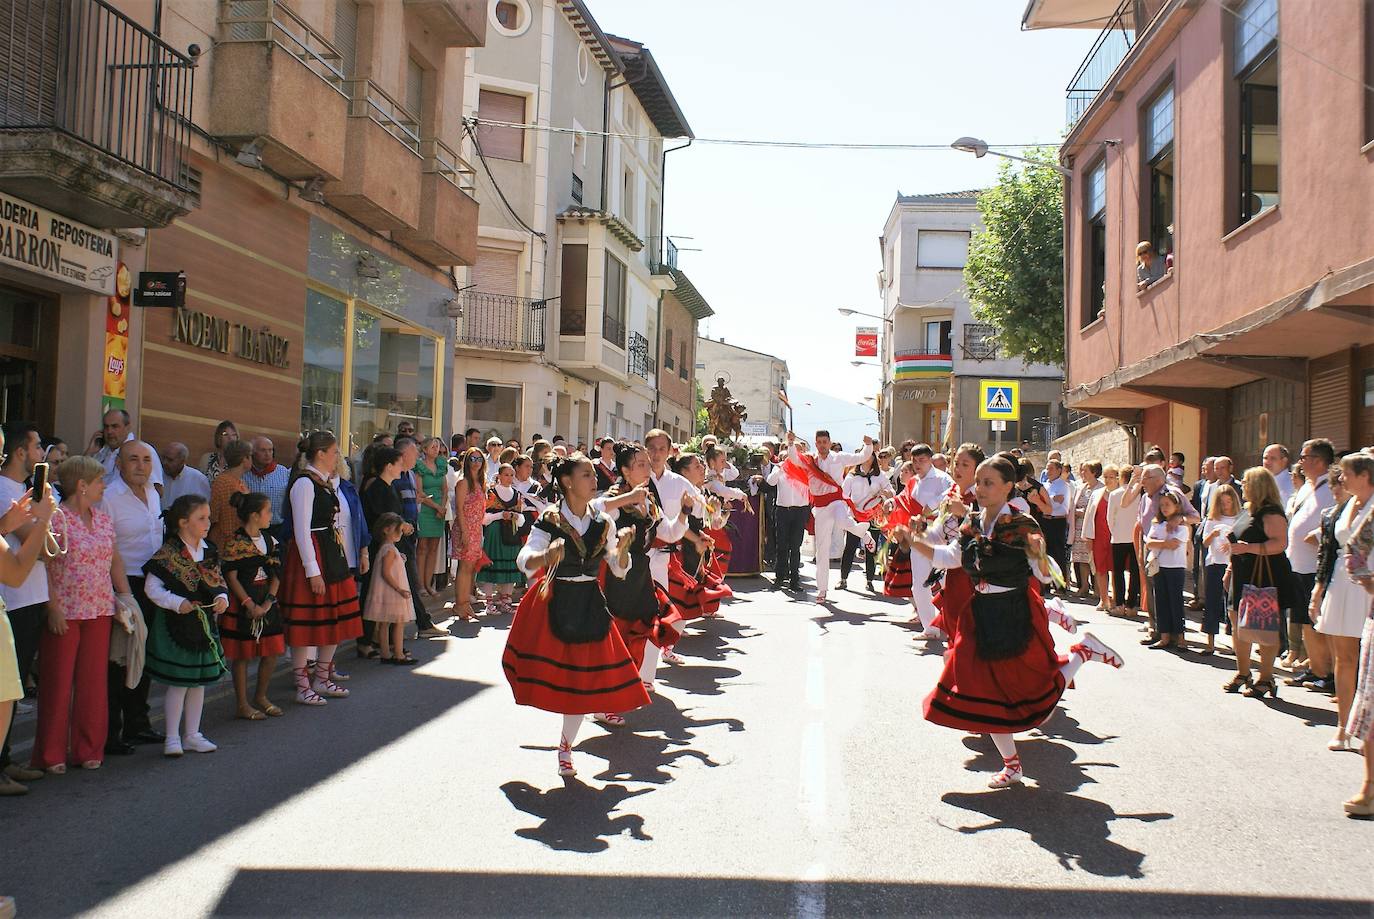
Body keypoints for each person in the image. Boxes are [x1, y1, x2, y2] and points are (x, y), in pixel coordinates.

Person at [907, 453, 1123, 789]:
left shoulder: (1023, 524)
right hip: (980, 614)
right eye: (978, 482)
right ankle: (1012, 766)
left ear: (1008, 487)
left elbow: (1043, 574)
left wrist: (1039, 555)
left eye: (988, 482)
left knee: (1033, 687)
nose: (979, 488)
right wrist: (914, 542)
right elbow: (952, 557)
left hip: (1015, 613)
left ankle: (1082, 652)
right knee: (984, 691)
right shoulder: (974, 523)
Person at [502, 454, 648, 777]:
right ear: (568, 482)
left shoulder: (603, 522)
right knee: (565, 680)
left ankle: (565, 746)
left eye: (594, 475)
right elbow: (524, 559)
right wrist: (544, 555)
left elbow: (618, 568)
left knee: (582, 683)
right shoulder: (549, 519)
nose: (594, 480)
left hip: (590, 606)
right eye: (586, 475)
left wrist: (622, 552)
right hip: (557, 604)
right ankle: (567, 745)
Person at [32, 456, 119, 775]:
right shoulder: (54, 519)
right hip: (64, 612)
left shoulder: (104, 520)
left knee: (93, 683)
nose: (103, 487)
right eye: (99, 481)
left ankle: (88, 747)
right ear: (81, 485)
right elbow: (42, 564)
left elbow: (114, 561)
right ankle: (50, 753)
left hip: (99, 609)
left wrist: (124, 598)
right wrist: (51, 606)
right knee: (57, 684)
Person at [598, 441, 691, 695]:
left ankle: (633, 683)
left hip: (640, 573)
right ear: (625, 471)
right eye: (641, 464)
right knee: (616, 633)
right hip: (617, 576)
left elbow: (669, 532)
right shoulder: (612, 499)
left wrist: (684, 512)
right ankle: (605, 697)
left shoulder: (647, 499)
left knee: (643, 631)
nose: (648, 469)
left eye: (648, 464)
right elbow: (593, 519)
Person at [142, 495, 229, 757]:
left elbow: (218, 580)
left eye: (208, 517)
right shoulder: (167, 554)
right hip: (176, 626)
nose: (208, 522)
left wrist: (222, 597)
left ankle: (192, 734)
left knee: (198, 682)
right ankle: (171, 737)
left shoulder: (209, 550)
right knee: (180, 683)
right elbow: (152, 588)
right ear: (182, 522)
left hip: (202, 627)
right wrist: (176, 602)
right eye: (201, 518)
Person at [280, 432, 362, 706]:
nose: (337, 456)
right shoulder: (303, 483)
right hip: (313, 554)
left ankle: (322, 677)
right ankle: (303, 685)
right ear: (321, 453)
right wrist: (311, 570)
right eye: (334, 451)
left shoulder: (323, 482)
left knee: (336, 616)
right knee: (308, 622)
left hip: (330, 551)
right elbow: (301, 531)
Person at [100, 440, 166, 751]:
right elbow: (103, 547)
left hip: (152, 584)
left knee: (145, 656)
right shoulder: (110, 498)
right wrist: (116, 595)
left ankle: (138, 724)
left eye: (146, 460)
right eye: (133, 460)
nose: (140, 466)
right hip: (121, 585)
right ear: (119, 464)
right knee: (119, 660)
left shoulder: (153, 493)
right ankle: (112, 731)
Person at [1311, 452, 1373, 753]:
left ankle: (1367, 732)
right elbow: (1328, 548)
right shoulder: (1346, 504)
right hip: (1340, 582)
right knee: (1344, 659)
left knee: (1368, 662)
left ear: (1364, 475)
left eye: (1346, 474)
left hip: (1368, 586)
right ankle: (1343, 726)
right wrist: (1319, 588)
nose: (1341, 479)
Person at [0, 423, 50, 790]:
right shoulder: (3, 489)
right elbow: (38, 552)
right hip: (14, 599)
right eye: (37, 446)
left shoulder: (24, 491)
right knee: (5, 692)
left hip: (30, 596)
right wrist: (43, 521)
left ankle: (4, 761)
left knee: (10, 691)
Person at [1224, 466, 1296, 699]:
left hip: (1265, 575)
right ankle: (1243, 672)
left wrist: (1249, 549)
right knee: (1237, 623)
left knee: (1265, 628)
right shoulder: (1248, 510)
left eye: (1245, 482)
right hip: (1242, 572)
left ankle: (1266, 678)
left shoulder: (1271, 513)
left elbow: (1280, 543)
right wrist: (1229, 567)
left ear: (1257, 485)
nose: (1242, 485)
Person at [782, 429, 876, 604]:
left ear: (829, 442)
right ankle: (822, 589)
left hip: (836, 501)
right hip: (820, 506)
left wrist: (868, 444)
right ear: (816, 443)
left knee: (843, 521)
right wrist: (790, 443)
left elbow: (861, 457)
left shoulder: (838, 457)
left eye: (825, 442)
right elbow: (794, 459)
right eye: (819, 442)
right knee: (822, 548)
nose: (822, 445)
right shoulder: (810, 459)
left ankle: (864, 534)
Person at [218, 492, 284, 720]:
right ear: (255, 516)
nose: (271, 516)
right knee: (243, 655)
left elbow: (277, 573)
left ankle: (261, 696)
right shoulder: (234, 544)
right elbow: (231, 576)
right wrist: (248, 604)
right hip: (243, 603)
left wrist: (267, 603)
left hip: (266, 601)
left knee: (272, 650)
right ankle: (242, 703)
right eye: (267, 512)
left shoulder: (271, 541)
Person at [1286, 439, 1336, 692]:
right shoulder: (1308, 486)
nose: (1300, 462)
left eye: (1304, 457)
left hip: (1313, 566)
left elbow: (1336, 518)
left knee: (1316, 621)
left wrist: (1316, 533)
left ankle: (1326, 672)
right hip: (1297, 563)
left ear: (1317, 460)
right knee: (1304, 621)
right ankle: (1314, 668)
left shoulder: (1332, 487)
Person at [393, 438, 442, 637]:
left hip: (411, 530)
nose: (417, 456)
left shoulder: (410, 475)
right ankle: (423, 624)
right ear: (404, 455)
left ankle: (420, 623)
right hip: (399, 534)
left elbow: (412, 500)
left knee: (409, 581)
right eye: (414, 453)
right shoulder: (396, 477)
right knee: (410, 581)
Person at [363, 513, 417, 665]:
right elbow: (386, 572)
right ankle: (398, 653)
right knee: (398, 623)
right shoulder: (389, 550)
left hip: (386, 591)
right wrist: (399, 589)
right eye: (398, 530)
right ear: (387, 530)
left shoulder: (387, 549)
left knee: (385, 623)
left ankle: (386, 653)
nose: (401, 533)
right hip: (392, 592)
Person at [1144, 489, 1191, 650]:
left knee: (1175, 601)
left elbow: (1174, 545)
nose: (1164, 508)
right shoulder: (1157, 524)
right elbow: (1149, 543)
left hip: (1175, 566)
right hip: (1160, 566)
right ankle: (1164, 636)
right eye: (1162, 504)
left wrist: (1159, 543)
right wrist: (1162, 543)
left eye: (1168, 504)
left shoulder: (1182, 527)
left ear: (1176, 507)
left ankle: (1180, 637)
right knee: (1161, 600)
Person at [478, 463, 527, 614]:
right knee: (492, 565)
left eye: (512, 475)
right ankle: (489, 602)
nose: (509, 478)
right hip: (494, 532)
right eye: (506, 474)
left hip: (511, 533)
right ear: (499, 476)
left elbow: (522, 520)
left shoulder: (517, 494)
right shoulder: (491, 493)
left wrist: (514, 516)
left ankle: (505, 600)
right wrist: (500, 515)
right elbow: (484, 518)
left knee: (509, 567)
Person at [839, 452, 891, 593]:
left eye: (870, 456)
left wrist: (885, 493)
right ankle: (843, 579)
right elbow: (843, 495)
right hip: (856, 516)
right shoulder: (852, 476)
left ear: (874, 458)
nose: (867, 458)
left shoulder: (880, 476)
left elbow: (890, 491)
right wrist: (845, 515)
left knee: (871, 549)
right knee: (850, 547)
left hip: (873, 516)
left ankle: (869, 581)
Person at [451, 448, 492, 621]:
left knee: (471, 568)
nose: (476, 462)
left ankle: (465, 602)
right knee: (464, 567)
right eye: (472, 458)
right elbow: (459, 509)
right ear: (466, 461)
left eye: (479, 459)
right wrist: (465, 532)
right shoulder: (463, 482)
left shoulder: (480, 481)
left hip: (476, 528)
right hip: (464, 528)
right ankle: (459, 604)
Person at [1200, 484, 1241, 655]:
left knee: (1232, 604)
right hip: (1215, 562)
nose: (1226, 505)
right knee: (1212, 602)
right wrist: (1213, 535)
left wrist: (1231, 544)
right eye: (1222, 502)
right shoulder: (1212, 519)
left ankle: (1235, 643)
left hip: (1233, 564)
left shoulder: (1240, 518)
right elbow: (1204, 542)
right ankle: (1210, 642)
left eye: (1229, 501)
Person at [767, 435, 811, 592]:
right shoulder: (779, 468)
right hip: (783, 511)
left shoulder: (805, 469)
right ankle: (779, 577)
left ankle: (794, 579)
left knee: (795, 546)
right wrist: (780, 467)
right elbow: (770, 482)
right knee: (782, 546)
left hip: (799, 511)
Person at [87, 408, 164, 487]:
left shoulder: (144, 450)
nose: (109, 431)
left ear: (127, 427)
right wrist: (89, 453)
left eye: (115, 426)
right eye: (106, 427)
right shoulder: (101, 452)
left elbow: (158, 489)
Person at [412, 437, 448, 598]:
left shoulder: (441, 465)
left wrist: (443, 506)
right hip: (426, 510)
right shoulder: (419, 466)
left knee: (434, 548)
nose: (436, 448)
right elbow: (420, 492)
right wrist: (437, 507)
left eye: (437, 446)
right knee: (422, 548)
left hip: (439, 511)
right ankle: (420, 584)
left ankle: (429, 583)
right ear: (425, 450)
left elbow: (445, 490)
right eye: (432, 446)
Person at [242, 437, 291, 542]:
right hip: (251, 531)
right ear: (253, 453)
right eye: (263, 450)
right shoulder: (244, 474)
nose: (268, 454)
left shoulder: (283, 473)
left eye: (270, 450)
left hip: (277, 529)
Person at [1108, 466, 1141, 615]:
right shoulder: (1139, 494)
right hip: (1135, 537)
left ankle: (1119, 603)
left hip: (1119, 537)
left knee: (1118, 571)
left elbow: (1110, 518)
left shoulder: (1114, 494)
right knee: (1135, 572)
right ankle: (1132, 605)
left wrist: (1114, 531)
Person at [209, 441, 252, 550]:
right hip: (225, 543)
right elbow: (213, 515)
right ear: (244, 459)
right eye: (250, 456)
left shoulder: (240, 482)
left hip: (240, 541)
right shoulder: (222, 482)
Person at [1069, 463, 1103, 600]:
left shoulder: (1101, 488)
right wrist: (1076, 512)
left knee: (1094, 559)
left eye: (1085, 470)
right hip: (1079, 528)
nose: (1082, 472)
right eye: (1082, 470)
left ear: (1094, 472)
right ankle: (1083, 586)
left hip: (1093, 527)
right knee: (1082, 559)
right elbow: (1074, 505)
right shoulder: (1080, 487)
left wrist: (1086, 512)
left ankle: (1098, 589)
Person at [1041, 460, 1071, 591]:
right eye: (1047, 469)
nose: (1048, 472)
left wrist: (1048, 500)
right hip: (1045, 520)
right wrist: (1052, 499)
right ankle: (1046, 584)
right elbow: (1050, 501)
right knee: (1045, 553)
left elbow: (1057, 503)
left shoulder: (1063, 486)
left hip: (1057, 521)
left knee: (1058, 553)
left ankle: (1060, 585)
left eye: (1051, 469)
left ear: (1059, 470)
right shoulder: (1045, 485)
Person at [1263, 443, 1295, 509]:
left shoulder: (1293, 483)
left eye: (1273, 458)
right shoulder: (1261, 483)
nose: (1267, 462)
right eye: (1265, 458)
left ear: (1284, 461)